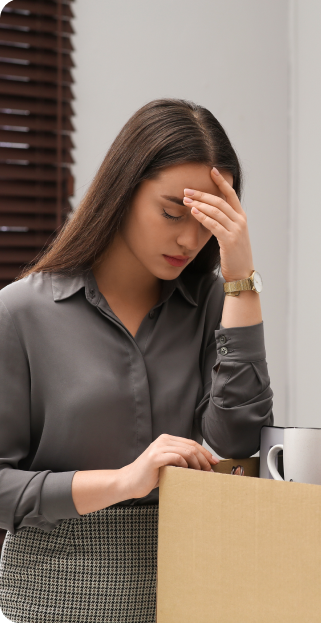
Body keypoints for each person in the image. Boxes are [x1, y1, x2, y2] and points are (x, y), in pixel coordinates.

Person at [0, 99, 273, 622]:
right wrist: (125, 480)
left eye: (207, 223)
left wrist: (242, 282)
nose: (190, 240)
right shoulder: (21, 312)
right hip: (55, 596)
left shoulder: (215, 303)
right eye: (172, 213)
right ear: (123, 191)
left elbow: (241, 440)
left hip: (192, 587)